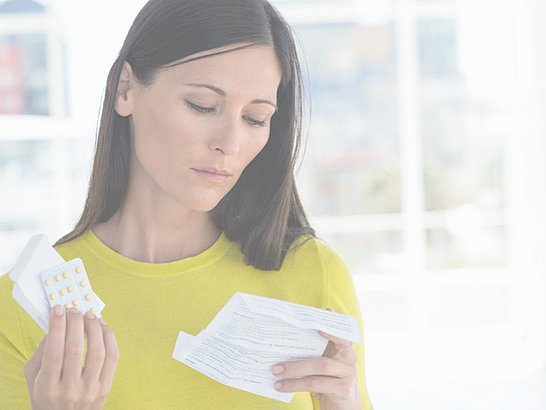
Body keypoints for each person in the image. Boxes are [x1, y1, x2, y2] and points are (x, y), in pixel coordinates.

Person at [0, 0, 374, 408]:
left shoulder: (311, 274)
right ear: (126, 89)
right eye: (202, 106)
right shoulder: (24, 305)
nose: (229, 143)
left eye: (255, 118)